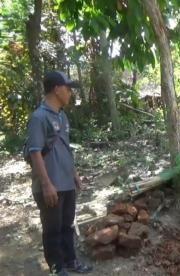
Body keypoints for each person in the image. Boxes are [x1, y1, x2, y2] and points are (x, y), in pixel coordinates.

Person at [25, 71, 92, 275]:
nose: (70, 92)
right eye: (67, 87)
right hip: (50, 184)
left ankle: (70, 261)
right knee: (52, 228)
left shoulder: (62, 116)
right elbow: (35, 151)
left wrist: (75, 174)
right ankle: (57, 266)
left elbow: (64, 147)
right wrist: (46, 185)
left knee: (67, 225)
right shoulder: (39, 117)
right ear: (56, 89)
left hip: (66, 181)